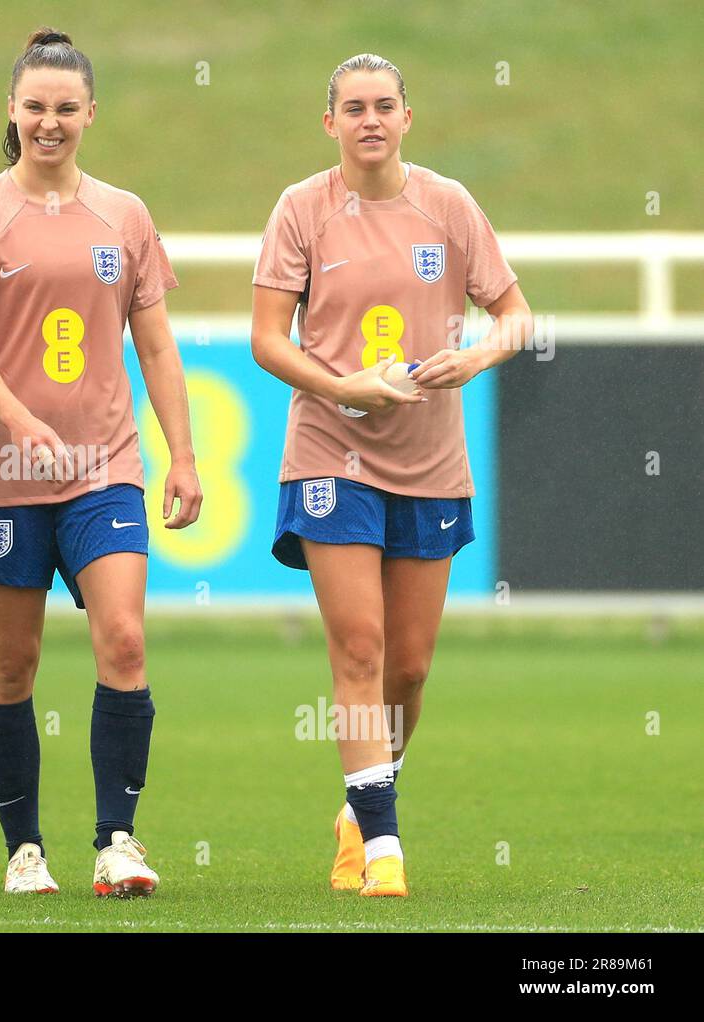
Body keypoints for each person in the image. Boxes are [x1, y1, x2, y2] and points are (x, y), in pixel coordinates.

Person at [252, 53, 533, 896]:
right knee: (361, 647)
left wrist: (475, 358)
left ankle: (359, 802)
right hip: (329, 458)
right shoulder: (302, 208)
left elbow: (516, 316)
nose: (369, 120)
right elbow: (268, 339)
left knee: (408, 668)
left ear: (407, 117)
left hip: (430, 461)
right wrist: (342, 388)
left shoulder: (448, 205)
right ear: (328, 122)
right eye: (352, 108)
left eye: (384, 106)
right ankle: (383, 849)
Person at [0, 29, 203, 898]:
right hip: (5, 476)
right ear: (12, 112)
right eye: (36, 107)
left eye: (67, 109)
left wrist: (182, 457)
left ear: (91, 114)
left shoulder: (123, 215)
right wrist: (19, 422)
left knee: (123, 638)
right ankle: (24, 851)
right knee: (12, 666)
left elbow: (155, 347)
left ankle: (117, 841)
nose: (51, 123)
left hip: (105, 468)